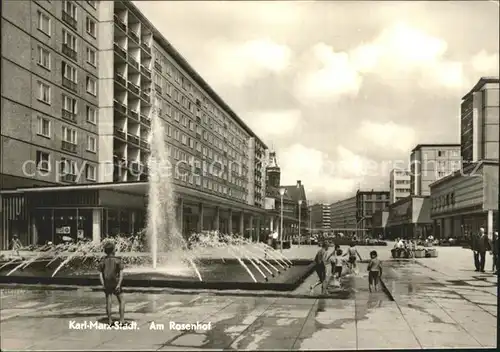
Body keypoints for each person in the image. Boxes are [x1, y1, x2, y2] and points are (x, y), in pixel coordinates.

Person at [98, 241, 125, 326]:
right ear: (113, 250)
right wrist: (118, 285)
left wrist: (103, 285)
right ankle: (122, 320)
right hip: (115, 283)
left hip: (107, 284)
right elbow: (121, 275)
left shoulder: (102, 261)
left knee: (108, 302)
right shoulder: (118, 261)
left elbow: (100, 275)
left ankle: (110, 321)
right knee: (122, 301)